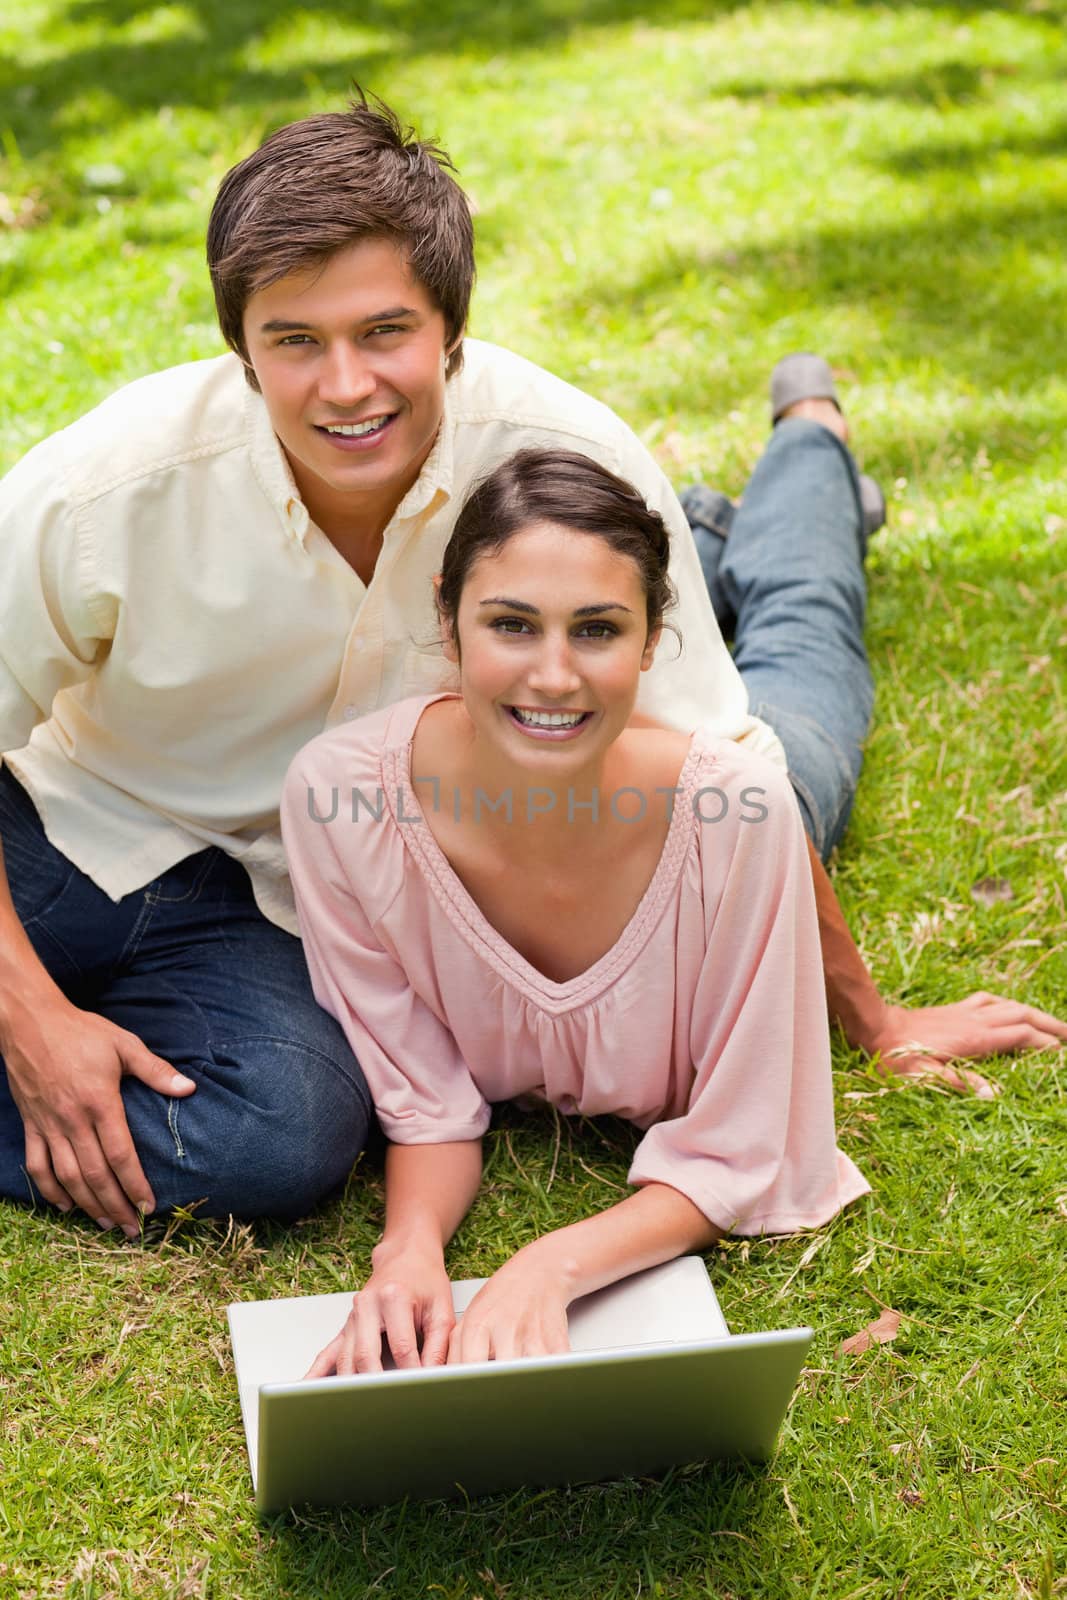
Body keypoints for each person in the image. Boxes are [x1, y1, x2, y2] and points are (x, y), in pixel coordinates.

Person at [0, 93, 1061, 1236]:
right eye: (295, 341)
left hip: (466, 813)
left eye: (383, 332)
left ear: (450, 329)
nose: (345, 386)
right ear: (242, 351)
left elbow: (724, 752)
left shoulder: (566, 453)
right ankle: (700, 536)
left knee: (792, 710)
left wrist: (871, 1016)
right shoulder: (104, 492)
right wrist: (32, 1023)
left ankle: (806, 456)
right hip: (86, 832)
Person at [279, 448, 871, 1371]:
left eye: (597, 630)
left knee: (803, 633)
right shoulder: (339, 801)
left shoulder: (744, 813)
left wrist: (550, 1267)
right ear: (447, 619)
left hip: (747, 792)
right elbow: (426, 1102)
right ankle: (705, 528)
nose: (552, 676)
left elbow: (750, 1150)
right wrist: (408, 1249)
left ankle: (805, 439)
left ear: (649, 642)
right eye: (511, 624)